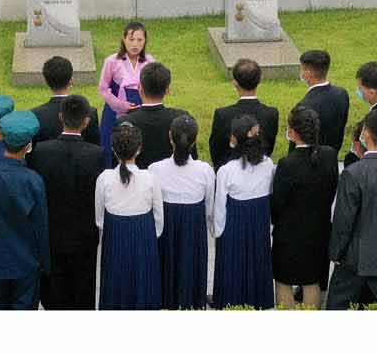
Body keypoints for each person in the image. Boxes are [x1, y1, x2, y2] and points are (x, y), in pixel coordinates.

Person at [26, 95, 102, 310]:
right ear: (86, 121)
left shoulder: (41, 152)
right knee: (83, 295)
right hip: (84, 236)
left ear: (61, 117)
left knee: (54, 296)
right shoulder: (97, 155)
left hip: (52, 234)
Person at [328, 109, 377, 310]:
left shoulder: (353, 173)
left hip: (353, 259)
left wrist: (336, 253)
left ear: (366, 133)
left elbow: (343, 220)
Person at [0, 111, 49, 309]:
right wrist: (45, 263)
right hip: (25, 262)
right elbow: (40, 226)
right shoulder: (32, 180)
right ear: (28, 145)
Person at [270, 106, 338, 309]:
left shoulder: (287, 164)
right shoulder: (330, 155)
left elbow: (278, 202)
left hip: (289, 234)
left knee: (283, 281)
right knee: (312, 281)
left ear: (293, 132)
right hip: (319, 230)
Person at [149, 115, 214, 310]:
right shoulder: (205, 170)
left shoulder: (155, 169)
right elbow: (209, 205)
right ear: (195, 140)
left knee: (167, 264)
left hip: (167, 224)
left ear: (170, 137)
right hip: (194, 223)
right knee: (191, 264)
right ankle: (192, 301)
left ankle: (166, 300)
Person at [95, 123, 163, 310]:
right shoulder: (150, 178)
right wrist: (152, 234)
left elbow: (99, 217)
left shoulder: (104, 178)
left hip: (115, 233)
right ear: (139, 148)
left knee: (115, 278)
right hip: (144, 234)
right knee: (143, 279)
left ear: (113, 149)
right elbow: (159, 216)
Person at [212, 115, 275, 309]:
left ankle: (230, 300)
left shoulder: (226, 170)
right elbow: (271, 192)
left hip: (234, 220)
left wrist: (218, 230)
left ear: (234, 139)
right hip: (259, 219)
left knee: (233, 262)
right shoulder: (268, 164)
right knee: (257, 259)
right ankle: (258, 300)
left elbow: (220, 205)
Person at [117, 63, 193, 170]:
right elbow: (190, 157)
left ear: (140, 87)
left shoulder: (125, 123)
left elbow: (119, 162)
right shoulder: (182, 119)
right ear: (167, 90)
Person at [209, 59, 279, 170]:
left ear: (235, 83)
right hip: (260, 168)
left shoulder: (222, 115)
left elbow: (216, 151)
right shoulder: (271, 114)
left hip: (229, 172)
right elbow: (269, 147)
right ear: (259, 80)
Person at [98, 23, 154, 161]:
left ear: (145, 41)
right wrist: (120, 105)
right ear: (124, 39)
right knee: (111, 144)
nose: (135, 44)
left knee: (140, 145)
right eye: (131, 39)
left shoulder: (149, 61)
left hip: (141, 108)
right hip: (115, 108)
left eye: (139, 40)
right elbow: (103, 89)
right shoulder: (112, 61)